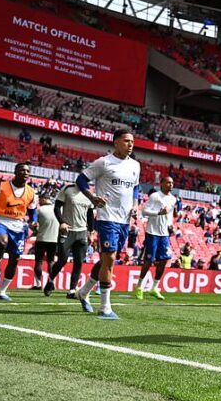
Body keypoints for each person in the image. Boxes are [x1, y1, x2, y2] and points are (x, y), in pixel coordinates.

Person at [74, 128, 140, 319]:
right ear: (116, 142)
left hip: (124, 220)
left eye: (132, 142)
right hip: (106, 217)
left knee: (106, 260)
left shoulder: (136, 165)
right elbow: (81, 179)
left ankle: (83, 292)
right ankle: (105, 307)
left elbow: (135, 188)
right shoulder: (104, 162)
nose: (130, 145)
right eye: (127, 141)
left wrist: (135, 205)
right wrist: (92, 197)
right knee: (109, 259)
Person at [0, 162, 39, 301]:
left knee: (14, 259)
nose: (25, 173)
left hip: (18, 224)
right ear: (15, 172)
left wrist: (33, 221)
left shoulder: (31, 192)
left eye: (28, 171)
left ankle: (2, 291)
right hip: (0, 220)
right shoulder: (1, 187)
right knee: (2, 242)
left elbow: (32, 210)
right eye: (22, 170)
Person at [44, 183, 94, 298]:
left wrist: (91, 231)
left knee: (79, 261)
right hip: (67, 231)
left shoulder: (90, 194)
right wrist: (62, 222)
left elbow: (90, 213)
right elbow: (57, 207)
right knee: (62, 259)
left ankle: (72, 290)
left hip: (82, 232)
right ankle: (51, 280)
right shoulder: (68, 189)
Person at [134, 176, 177, 301]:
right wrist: (158, 213)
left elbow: (169, 214)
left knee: (164, 260)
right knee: (149, 260)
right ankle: (139, 287)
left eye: (172, 182)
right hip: (152, 232)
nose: (171, 184)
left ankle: (154, 288)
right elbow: (144, 212)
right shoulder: (155, 196)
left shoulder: (173, 199)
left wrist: (170, 224)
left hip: (164, 234)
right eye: (168, 182)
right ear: (162, 183)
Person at [32, 196, 59, 291]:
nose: (39, 202)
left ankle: (38, 284)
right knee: (51, 261)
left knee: (39, 261)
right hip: (54, 240)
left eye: (40, 200)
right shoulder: (57, 209)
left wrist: (35, 229)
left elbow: (34, 225)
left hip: (41, 238)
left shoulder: (39, 210)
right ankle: (51, 282)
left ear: (43, 199)